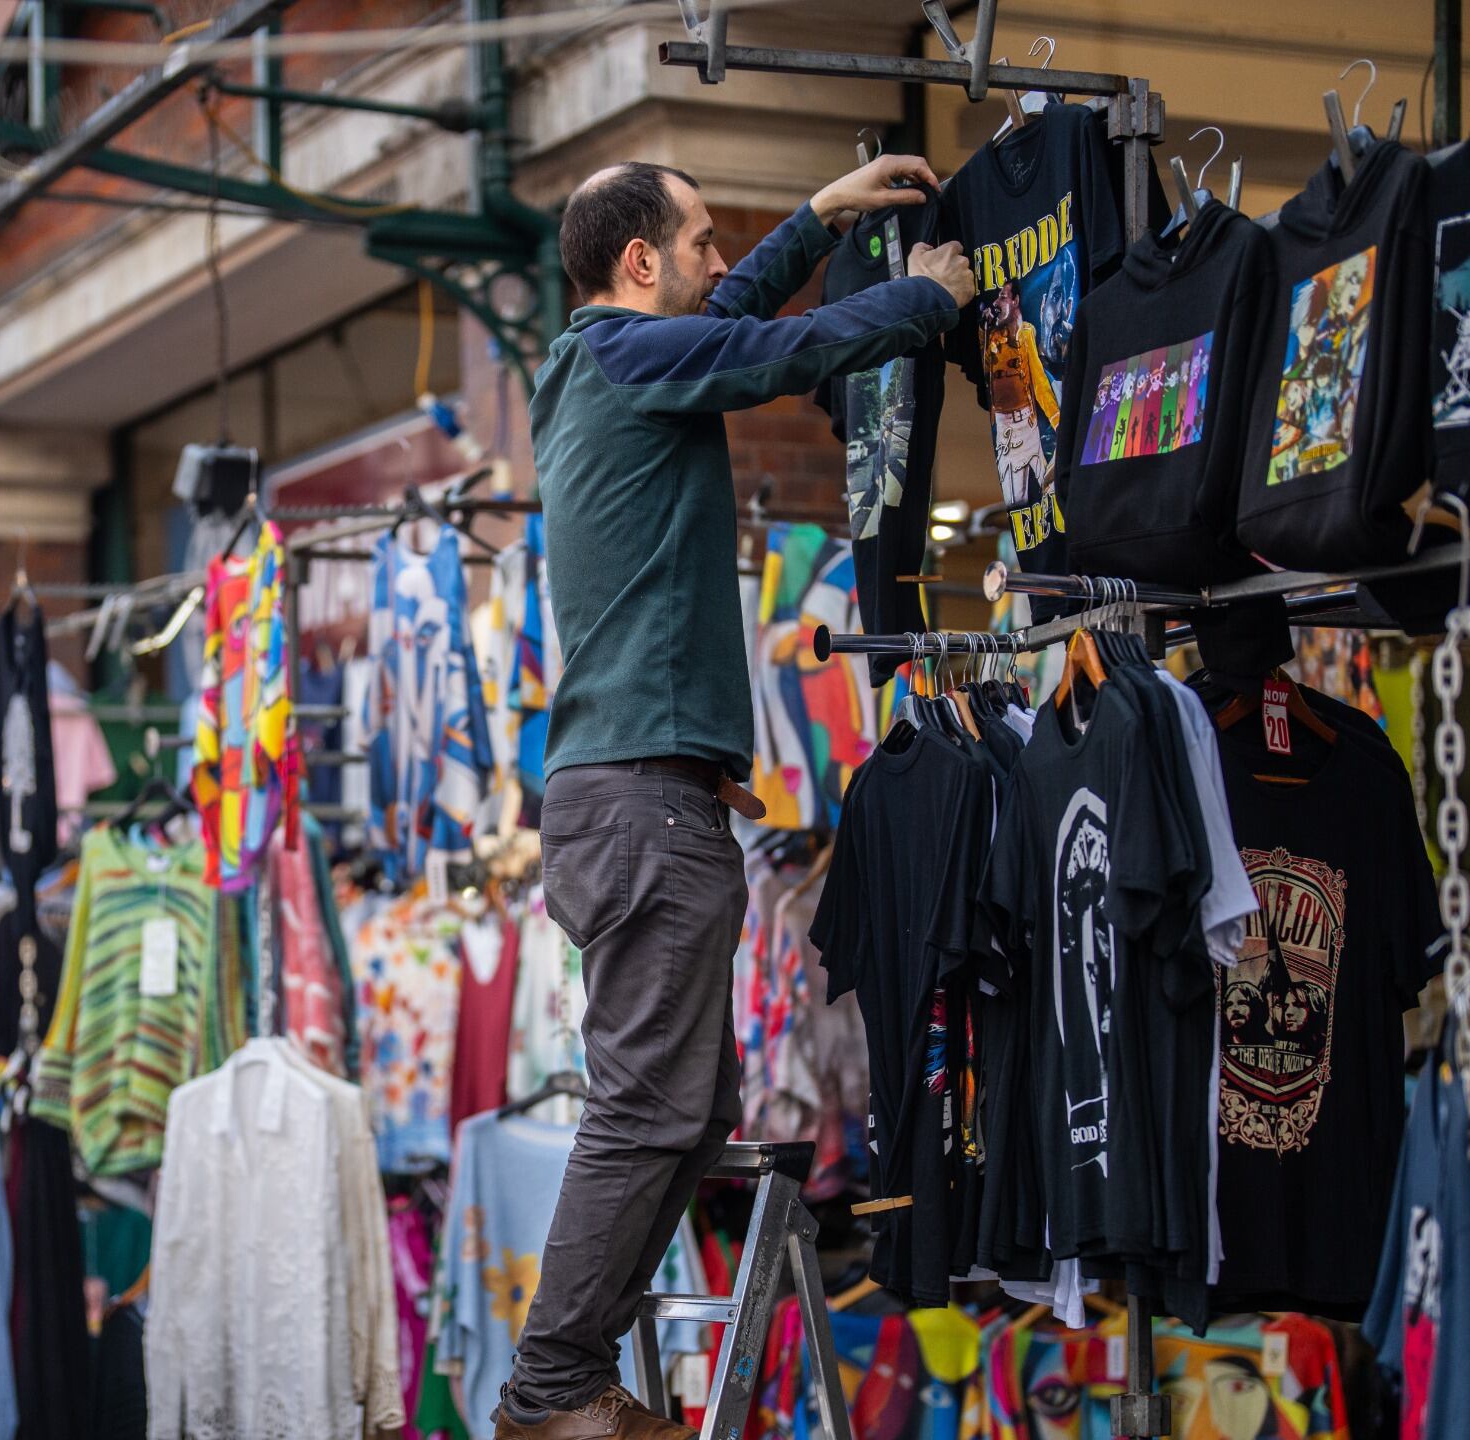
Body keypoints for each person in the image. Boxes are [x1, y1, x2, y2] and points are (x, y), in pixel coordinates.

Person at [499, 159, 974, 1440]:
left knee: (688, 1107)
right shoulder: (624, 361)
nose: (721, 258)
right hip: (643, 803)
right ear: (639, 265)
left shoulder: (603, 364)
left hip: (645, 801)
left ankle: (573, 1375)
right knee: (648, 1106)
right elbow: (773, 346)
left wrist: (822, 215)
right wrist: (925, 301)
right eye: (700, 241)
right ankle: (551, 1390)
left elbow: (738, 307)